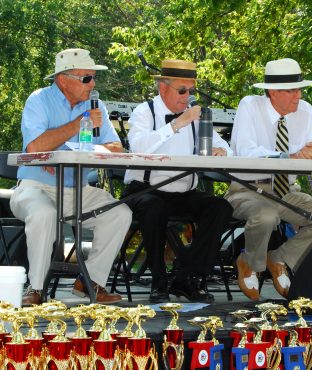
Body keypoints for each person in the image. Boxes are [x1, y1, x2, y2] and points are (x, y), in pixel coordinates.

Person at [10, 48, 132, 306]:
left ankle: (90, 281)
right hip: (35, 187)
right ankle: (36, 288)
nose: (93, 84)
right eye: (86, 78)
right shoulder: (39, 100)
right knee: (43, 214)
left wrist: (66, 152)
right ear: (63, 80)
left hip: (77, 190)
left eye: (93, 77)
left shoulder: (96, 106)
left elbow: (115, 147)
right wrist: (79, 123)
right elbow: (35, 147)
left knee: (119, 212)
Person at [225, 58, 312, 301]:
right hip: (248, 189)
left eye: (299, 89)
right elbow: (245, 151)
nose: (298, 95)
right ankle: (250, 262)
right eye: (291, 90)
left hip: (288, 191)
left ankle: (280, 258)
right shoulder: (250, 105)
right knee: (266, 215)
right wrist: (288, 156)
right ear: (272, 92)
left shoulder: (306, 111)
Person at [124, 59, 233, 303]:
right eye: (182, 90)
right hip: (146, 189)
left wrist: (222, 151)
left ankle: (186, 276)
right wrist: (177, 124)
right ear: (163, 88)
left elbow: (223, 144)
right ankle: (158, 281)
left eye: (191, 91)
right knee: (154, 207)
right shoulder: (145, 111)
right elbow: (138, 147)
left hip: (183, 192)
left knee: (220, 207)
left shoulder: (196, 116)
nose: (187, 97)